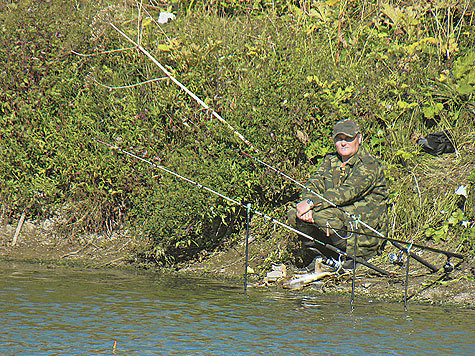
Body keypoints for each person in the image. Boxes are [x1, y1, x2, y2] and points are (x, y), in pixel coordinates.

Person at [289, 118, 388, 269]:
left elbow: (346, 193)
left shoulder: (369, 164)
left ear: (359, 139)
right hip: (339, 215)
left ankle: (349, 254)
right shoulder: (330, 160)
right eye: (339, 139)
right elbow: (314, 183)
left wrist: (311, 204)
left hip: (364, 229)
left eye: (348, 139)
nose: (343, 143)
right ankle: (318, 254)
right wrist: (305, 202)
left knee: (321, 215)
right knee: (295, 213)